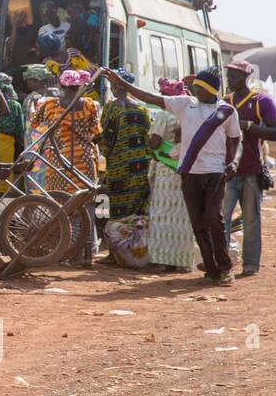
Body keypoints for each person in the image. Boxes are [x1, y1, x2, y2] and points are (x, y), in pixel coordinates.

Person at [104, 67, 240, 284]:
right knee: (197, 223)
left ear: (210, 89)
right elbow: (150, 97)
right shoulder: (186, 105)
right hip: (189, 172)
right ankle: (212, 271)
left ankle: (225, 268)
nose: (195, 91)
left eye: (199, 88)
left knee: (213, 218)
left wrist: (233, 161)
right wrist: (123, 83)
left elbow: (235, 139)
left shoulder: (227, 111)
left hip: (215, 172)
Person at [27, 69, 103, 264]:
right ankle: (86, 255)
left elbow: (34, 123)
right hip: (84, 160)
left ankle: (68, 253)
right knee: (85, 207)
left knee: (61, 207)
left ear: (61, 85)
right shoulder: (89, 105)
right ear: (79, 87)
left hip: (58, 160)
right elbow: (95, 131)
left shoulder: (49, 104)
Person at [222, 60, 276, 277]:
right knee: (221, 219)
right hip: (228, 171)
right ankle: (223, 262)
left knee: (251, 220)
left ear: (245, 78)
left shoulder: (260, 101)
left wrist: (250, 127)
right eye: (228, 76)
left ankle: (250, 265)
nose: (230, 80)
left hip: (252, 170)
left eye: (234, 77)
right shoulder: (225, 102)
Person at [145, 78, 199, 272]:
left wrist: (149, 139)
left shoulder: (164, 115)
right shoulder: (190, 113)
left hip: (166, 171)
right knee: (183, 216)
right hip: (187, 169)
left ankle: (160, 260)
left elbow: (155, 142)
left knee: (161, 214)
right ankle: (182, 262)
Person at [99, 69, 152, 219]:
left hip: (118, 164)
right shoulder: (141, 108)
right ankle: (133, 235)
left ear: (115, 87)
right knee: (136, 205)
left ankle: (109, 232)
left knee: (109, 200)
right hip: (141, 165)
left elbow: (106, 137)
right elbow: (148, 133)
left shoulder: (111, 108)